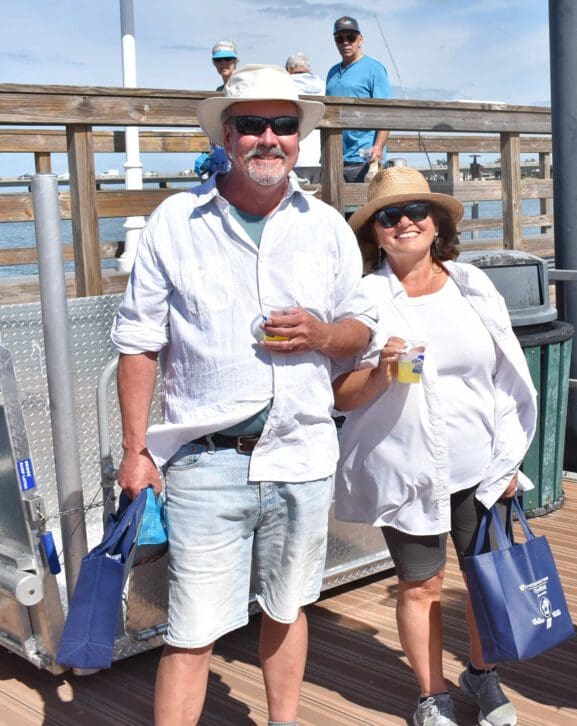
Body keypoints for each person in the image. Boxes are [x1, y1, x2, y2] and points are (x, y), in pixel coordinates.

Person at [111, 64, 376, 725]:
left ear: (297, 138)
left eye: (282, 124)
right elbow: (138, 344)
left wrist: (321, 333)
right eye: (252, 123)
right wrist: (136, 451)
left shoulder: (327, 227)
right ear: (227, 136)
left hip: (301, 452)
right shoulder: (175, 221)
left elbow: (364, 328)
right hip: (205, 460)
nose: (268, 137)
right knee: (191, 630)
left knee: (288, 608)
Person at [333, 166, 537, 726]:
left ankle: (483, 674)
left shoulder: (473, 285)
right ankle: (432, 694)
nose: (405, 222)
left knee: (486, 581)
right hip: (408, 470)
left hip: (481, 465)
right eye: (389, 216)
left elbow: (505, 376)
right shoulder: (365, 298)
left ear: (437, 223)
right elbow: (339, 394)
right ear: (374, 233)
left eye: (416, 211)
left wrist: (510, 459)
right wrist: (381, 373)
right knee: (421, 584)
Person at [324, 16, 392, 182]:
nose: (345, 42)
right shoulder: (332, 72)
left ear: (360, 39)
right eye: (340, 39)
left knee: (365, 200)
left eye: (351, 37)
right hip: (334, 157)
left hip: (364, 160)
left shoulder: (375, 69)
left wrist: (378, 147)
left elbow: (386, 113)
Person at [194, 40, 237, 179]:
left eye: (227, 59)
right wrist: (208, 153)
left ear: (235, 61)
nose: (223, 63)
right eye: (218, 60)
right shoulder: (218, 90)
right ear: (214, 63)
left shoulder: (242, 86)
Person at [285, 52, 326, 185]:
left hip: (295, 157)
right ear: (308, 68)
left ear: (289, 69)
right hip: (318, 156)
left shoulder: (285, 85)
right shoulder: (322, 85)